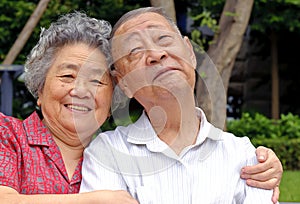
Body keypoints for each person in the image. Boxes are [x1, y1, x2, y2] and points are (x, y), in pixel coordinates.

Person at [80, 7, 282, 203]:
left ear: (190, 53)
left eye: (163, 39)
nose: (156, 54)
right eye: (135, 50)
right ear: (124, 82)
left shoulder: (243, 155)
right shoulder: (107, 154)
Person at [0, 11, 138, 204]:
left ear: (112, 103)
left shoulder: (119, 159)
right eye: (67, 76)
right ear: (40, 88)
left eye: (96, 81)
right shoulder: (6, 134)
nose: (80, 91)